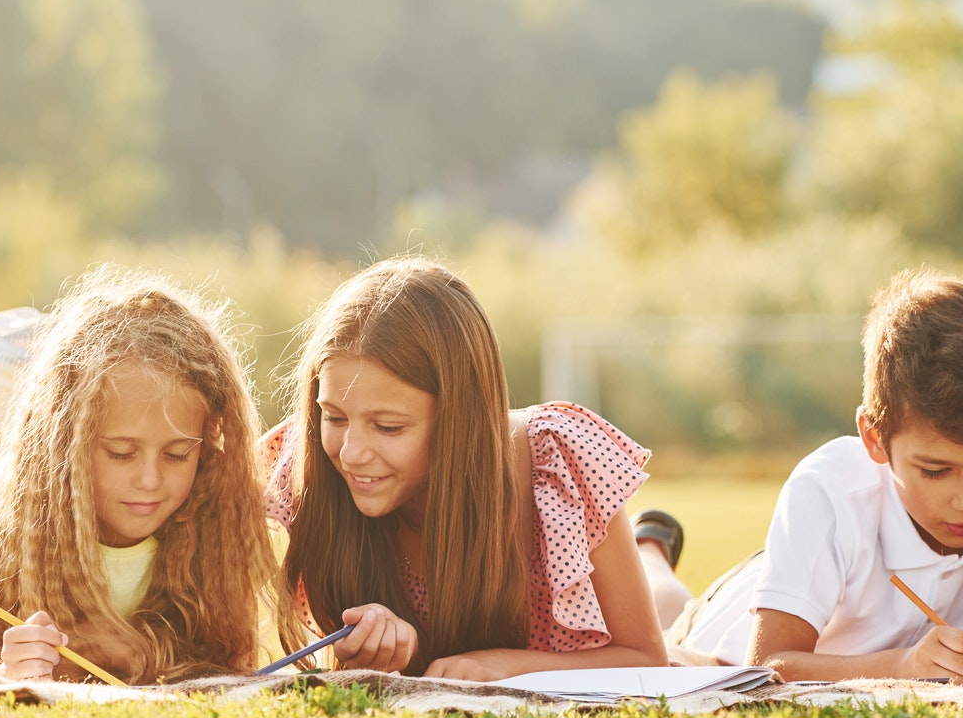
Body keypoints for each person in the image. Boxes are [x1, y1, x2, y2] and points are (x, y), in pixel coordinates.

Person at [0, 269, 292, 682]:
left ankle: (14, 384)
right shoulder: (24, 524)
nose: (151, 479)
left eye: (176, 454)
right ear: (67, 447)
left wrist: (141, 652)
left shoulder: (214, 523)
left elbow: (226, 671)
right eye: (120, 453)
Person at [671, 272, 963, 687]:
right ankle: (651, 544)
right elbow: (768, 664)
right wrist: (904, 667)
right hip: (726, 627)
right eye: (936, 471)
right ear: (874, 438)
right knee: (666, 606)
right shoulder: (829, 489)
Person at [267, 256, 669, 681]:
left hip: (643, 625)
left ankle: (653, 547)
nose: (350, 453)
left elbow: (647, 658)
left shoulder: (556, 464)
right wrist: (385, 649)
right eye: (334, 417)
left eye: (387, 427)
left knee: (674, 607)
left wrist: (503, 664)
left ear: (461, 420)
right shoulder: (304, 462)